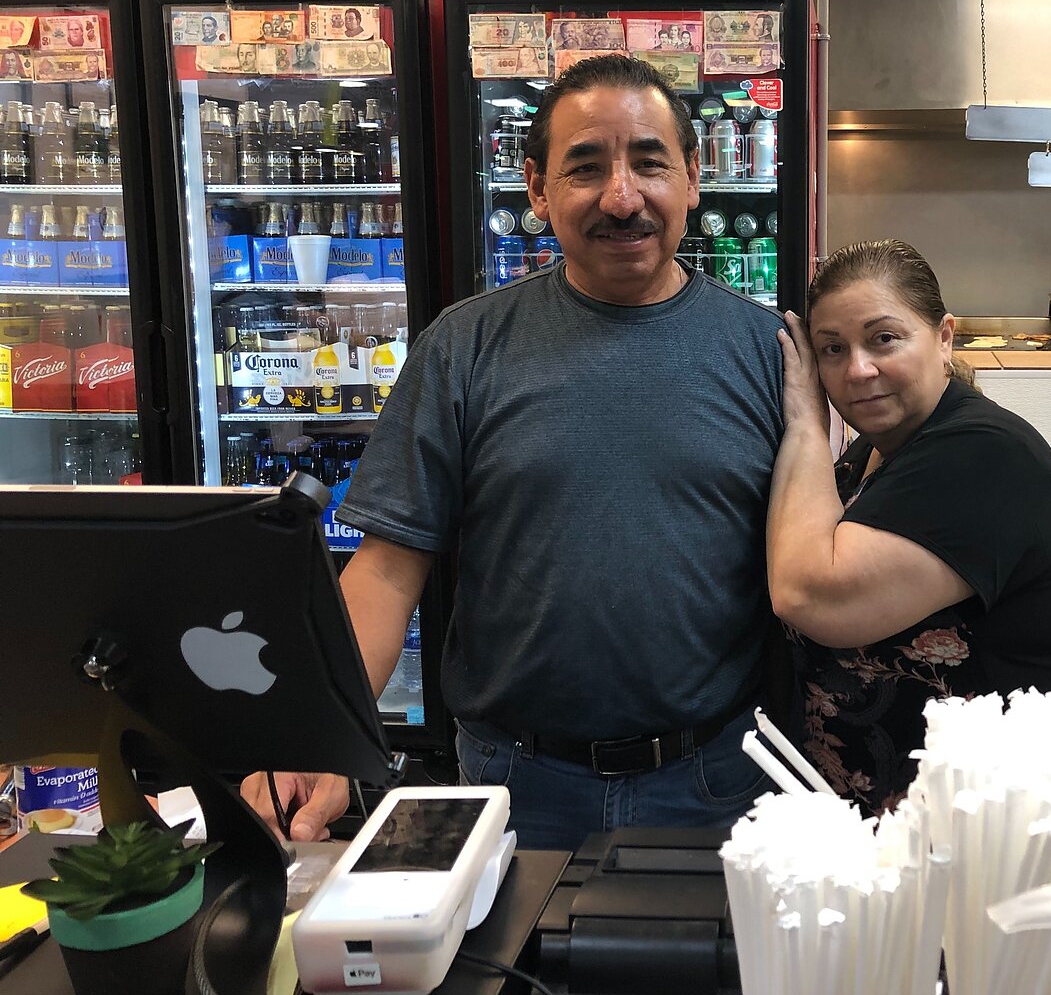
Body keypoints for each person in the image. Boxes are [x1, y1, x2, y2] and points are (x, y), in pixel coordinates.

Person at [243, 54, 784, 850]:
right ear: (537, 189)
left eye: (649, 163)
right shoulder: (463, 347)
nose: (623, 197)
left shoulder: (768, 350)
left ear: (694, 179)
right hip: (514, 784)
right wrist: (320, 730)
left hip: (715, 777)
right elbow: (387, 571)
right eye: (587, 168)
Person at [767, 239, 1051, 814]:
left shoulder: (984, 453)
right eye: (832, 350)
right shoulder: (869, 454)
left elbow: (809, 595)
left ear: (944, 337)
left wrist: (803, 423)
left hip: (994, 824)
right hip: (896, 823)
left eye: (883, 338)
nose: (857, 369)